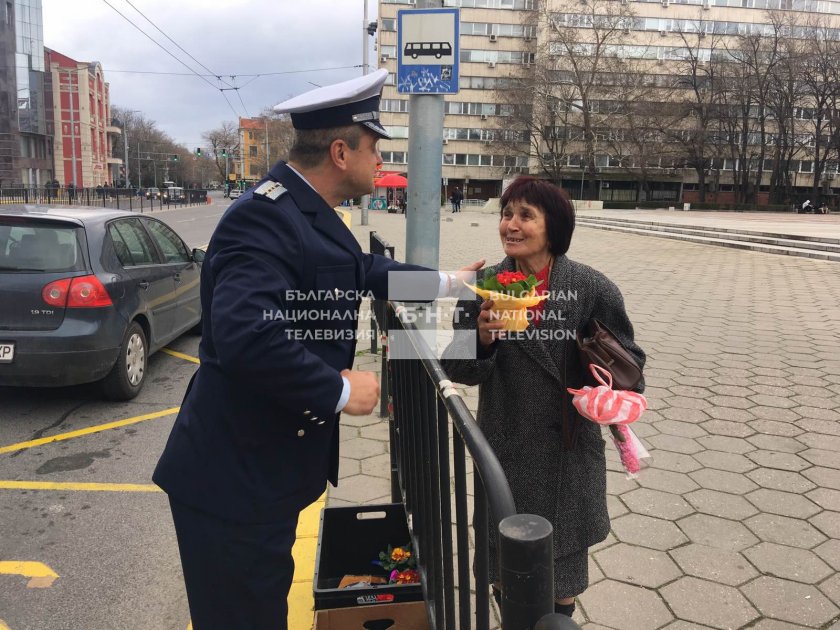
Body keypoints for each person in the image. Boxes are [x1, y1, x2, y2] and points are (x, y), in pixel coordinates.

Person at [153, 68, 482, 630]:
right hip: (235, 485)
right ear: (339, 151)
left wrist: (450, 282)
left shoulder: (305, 211)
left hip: (264, 474)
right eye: (374, 148)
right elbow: (242, 334)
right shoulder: (263, 217)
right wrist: (337, 389)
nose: (381, 162)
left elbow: (364, 270)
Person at [441, 175, 645, 618]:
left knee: (561, 580)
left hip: (566, 453)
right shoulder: (483, 285)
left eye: (525, 216)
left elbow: (631, 362)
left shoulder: (591, 288)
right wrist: (481, 339)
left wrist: (602, 387)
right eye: (506, 214)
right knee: (505, 567)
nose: (510, 225)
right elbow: (457, 369)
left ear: (553, 227)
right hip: (506, 443)